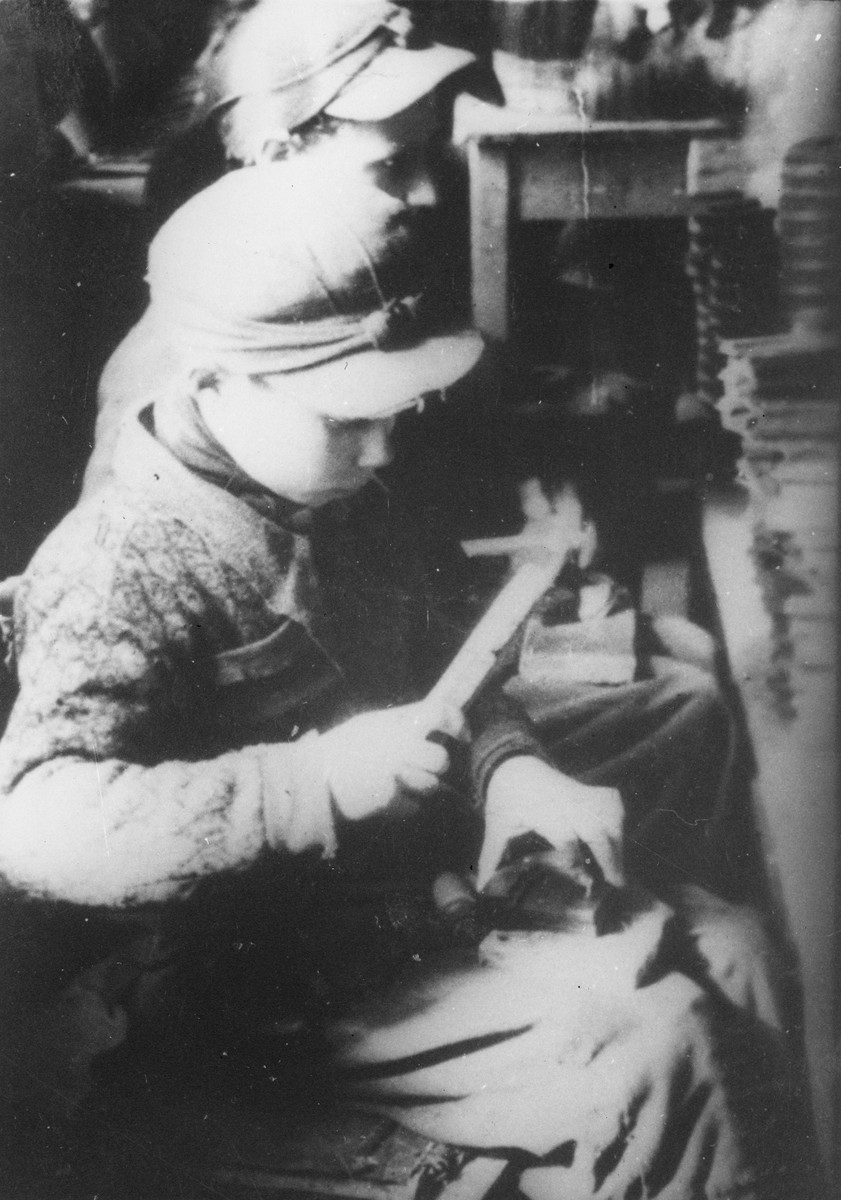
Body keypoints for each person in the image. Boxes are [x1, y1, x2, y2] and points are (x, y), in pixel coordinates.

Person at [0, 165, 816, 1198]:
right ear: (211, 383)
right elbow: (37, 827)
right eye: (350, 416)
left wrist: (510, 773)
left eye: (399, 409)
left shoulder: (324, 482)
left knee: (738, 954)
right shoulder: (123, 562)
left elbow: (438, 668)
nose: (384, 444)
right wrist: (311, 785)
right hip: (261, 970)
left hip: (401, 886)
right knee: (665, 1045)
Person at [81, 0, 480, 496]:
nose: (428, 193)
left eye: (429, 155)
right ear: (278, 161)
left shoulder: (376, 273)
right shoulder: (177, 377)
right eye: (392, 165)